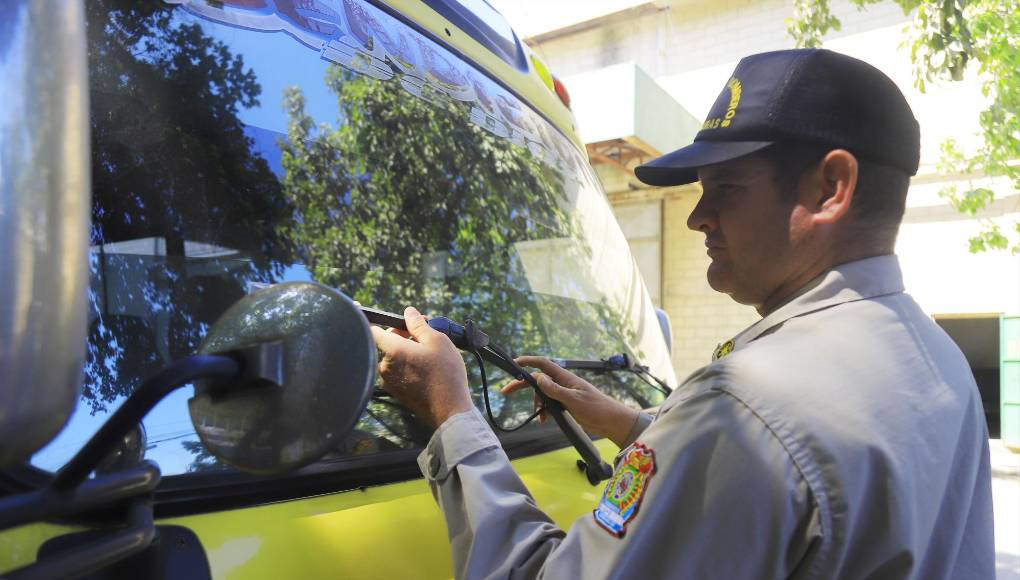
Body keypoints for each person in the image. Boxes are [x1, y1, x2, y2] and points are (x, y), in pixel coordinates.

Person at [370, 48, 995, 579]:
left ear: (830, 188)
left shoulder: (748, 407)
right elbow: (802, 500)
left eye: (725, 189)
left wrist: (451, 412)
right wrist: (633, 424)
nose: (698, 217)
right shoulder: (937, 359)